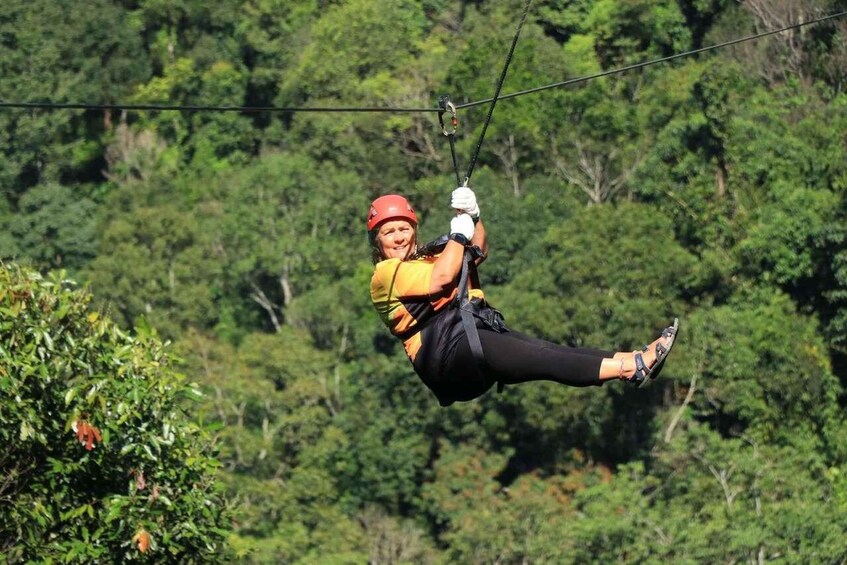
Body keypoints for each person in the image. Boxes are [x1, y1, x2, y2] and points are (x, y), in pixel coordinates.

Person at [368, 188, 678, 407]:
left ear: (414, 230)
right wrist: (458, 235)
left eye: (403, 229)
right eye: (389, 233)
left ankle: (631, 360)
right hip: (445, 357)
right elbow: (441, 279)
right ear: (377, 243)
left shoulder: (428, 258)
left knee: (546, 351)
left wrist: (474, 217)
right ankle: (631, 368)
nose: (399, 237)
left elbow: (477, 252)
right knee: (543, 357)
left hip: (466, 342)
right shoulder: (385, 275)